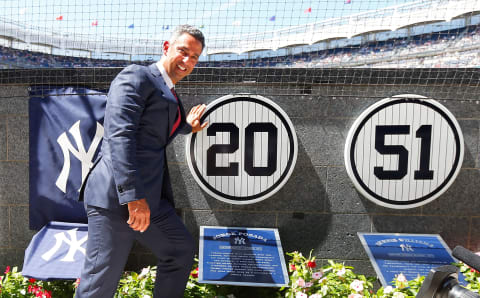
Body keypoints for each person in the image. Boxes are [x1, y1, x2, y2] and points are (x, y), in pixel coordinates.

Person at [75, 25, 208, 298]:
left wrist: (186, 126)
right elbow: (119, 135)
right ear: (166, 47)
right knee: (99, 286)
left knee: (179, 249)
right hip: (117, 198)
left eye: (195, 57)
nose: (188, 61)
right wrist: (132, 196)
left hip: (149, 201)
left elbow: (153, 131)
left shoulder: (168, 91)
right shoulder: (137, 76)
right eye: (184, 51)